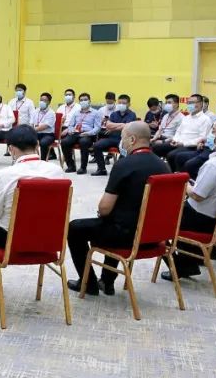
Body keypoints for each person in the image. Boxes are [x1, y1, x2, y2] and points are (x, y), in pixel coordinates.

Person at [67, 122, 169, 295]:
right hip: (154, 236)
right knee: (114, 220)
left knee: (76, 227)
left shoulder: (124, 164)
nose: (122, 143)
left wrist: (103, 213)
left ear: (132, 139)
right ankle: (107, 282)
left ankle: (88, 283)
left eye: (123, 138)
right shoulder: (163, 165)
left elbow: (104, 208)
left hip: (127, 237)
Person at [0, 126, 65, 292]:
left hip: (10, 239)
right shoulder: (57, 172)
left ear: (11, 149)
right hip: (48, 239)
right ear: (37, 145)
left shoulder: (6, 174)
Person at [164, 118, 216, 280]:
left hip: (202, 219)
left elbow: (197, 195)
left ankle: (181, 266)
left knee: (154, 220)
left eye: (214, 132)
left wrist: (183, 183)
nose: (210, 136)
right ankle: (191, 260)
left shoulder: (215, 165)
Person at [153, 93, 210, 166]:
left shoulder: (205, 119)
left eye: (192, 103)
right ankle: (159, 169)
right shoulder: (186, 118)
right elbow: (178, 132)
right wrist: (175, 140)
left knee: (172, 155)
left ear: (200, 104)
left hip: (191, 146)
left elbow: (202, 138)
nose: (190, 105)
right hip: (178, 143)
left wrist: (183, 144)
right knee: (156, 148)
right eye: (189, 103)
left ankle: (174, 172)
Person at [90, 94, 137, 177]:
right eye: (120, 103)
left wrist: (114, 126)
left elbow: (127, 127)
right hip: (112, 138)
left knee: (124, 150)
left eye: (124, 103)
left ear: (129, 104)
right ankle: (101, 169)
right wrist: (122, 125)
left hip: (124, 139)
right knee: (97, 146)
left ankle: (120, 172)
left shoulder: (132, 114)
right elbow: (108, 126)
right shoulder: (114, 114)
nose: (121, 105)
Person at [59, 92, 96, 174]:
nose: (83, 101)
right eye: (81, 100)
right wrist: (70, 130)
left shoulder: (95, 113)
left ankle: (83, 168)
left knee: (84, 142)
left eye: (85, 100)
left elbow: (97, 128)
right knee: (64, 142)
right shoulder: (76, 113)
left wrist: (89, 133)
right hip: (75, 133)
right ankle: (71, 166)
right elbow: (71, 125)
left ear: (89, 101)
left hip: (88, 134)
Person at [30, 92, 57, 160]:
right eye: (41, 100)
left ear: (49, 102)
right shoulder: (35, 111)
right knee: (25, 139)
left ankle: (43, 161)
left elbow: (45, 126)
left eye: (45, 100)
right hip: (36, 133)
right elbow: (31, 123)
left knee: (43, 143)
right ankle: (30, 159)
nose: (42, 102)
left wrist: (33, 130)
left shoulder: (51, 113)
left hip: (48, 134)